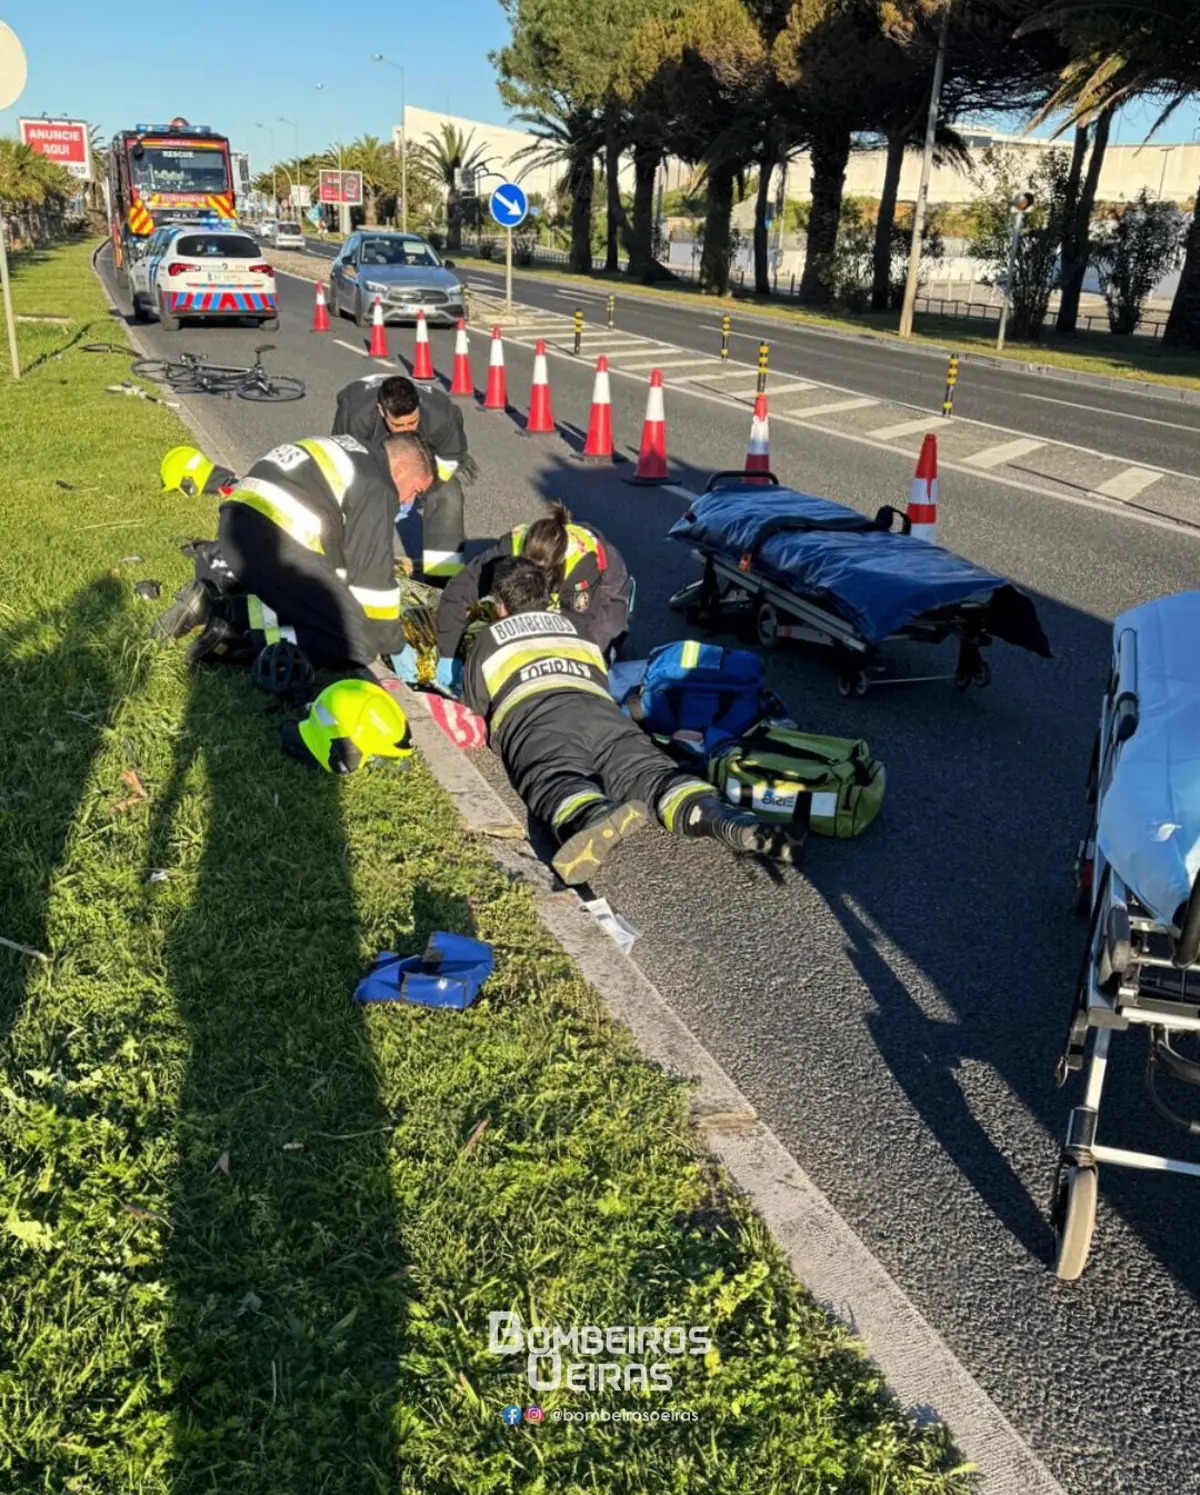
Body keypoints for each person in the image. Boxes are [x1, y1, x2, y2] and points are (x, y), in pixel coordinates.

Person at [461, 557, 803, 885]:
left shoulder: (489, 639)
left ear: (500, 605)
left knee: (556, 775)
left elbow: (474, 709)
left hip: (540, 719)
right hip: (603, 714)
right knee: (650, 773)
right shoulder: (576, 630)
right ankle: (720, 816)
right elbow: (600, 678)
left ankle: (589, 815)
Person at [156, 432, 435, 673]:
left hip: (237, 524)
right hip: (275, 536)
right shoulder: (379, 485)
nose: (411, 501)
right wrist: (392, 643)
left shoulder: (353, 451)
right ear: (400, 469)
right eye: (416, 491)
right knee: (358, 644)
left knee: (310, 608)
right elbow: (372, 580)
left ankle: (217, 609)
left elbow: (340, 557)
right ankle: (235, 641)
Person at [403, 501, 632, 694]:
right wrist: (448, 656)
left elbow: (576, 630)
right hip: (554, 568)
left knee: (596, 659)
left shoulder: (582, 566)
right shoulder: (509, 547)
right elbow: (457, 592)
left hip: (605, 581)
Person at [332, 373, 475, 582]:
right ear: (381, 411)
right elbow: (349, 472)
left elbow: (448, 462)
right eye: (399, 425)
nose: (408, 430)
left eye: (413, 422)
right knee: (366, 500)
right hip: (371, 447)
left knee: (448, 494)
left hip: (425, 453)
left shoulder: (440, 414)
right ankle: (362, 570)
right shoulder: (356, 417)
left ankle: (441, 579)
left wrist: (418, 486)